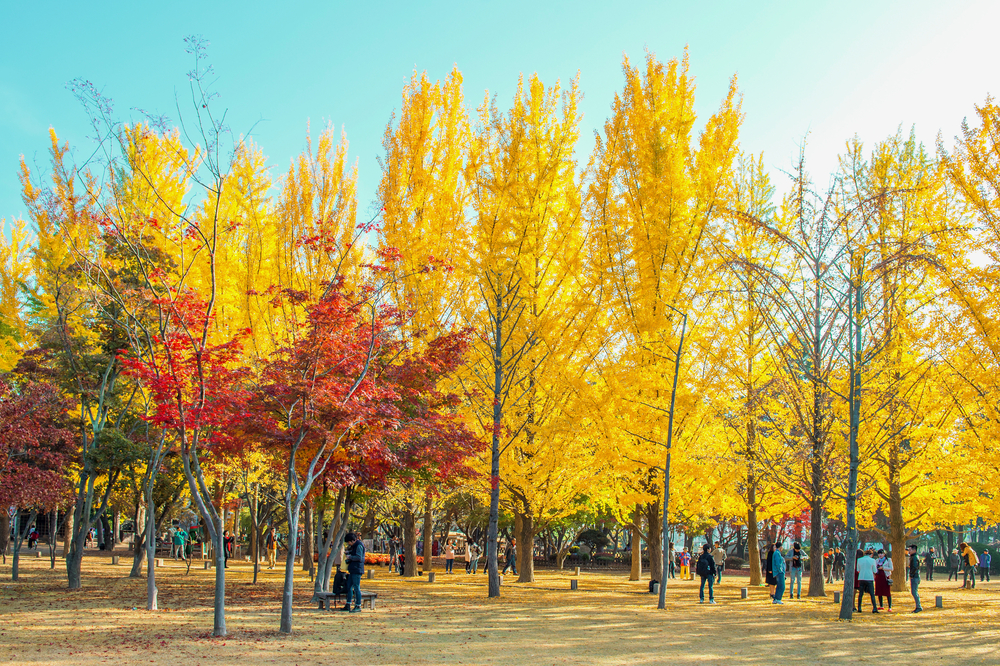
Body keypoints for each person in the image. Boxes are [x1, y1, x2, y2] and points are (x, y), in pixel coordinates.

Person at [342, 532, 365, 613]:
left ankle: (358, 605)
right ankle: (348, 604)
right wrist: (348, 553)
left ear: (353, 540)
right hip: (352, 569)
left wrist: (350, 557)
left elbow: (359, 557)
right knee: (349, 587)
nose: (349, 544)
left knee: (356, 587)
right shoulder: (354, 546)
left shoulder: (359, 545)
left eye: (349, 542)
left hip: (357, 569)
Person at [856, 548, 879, 613]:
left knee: (861, 593)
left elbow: (858, 569)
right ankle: (874, 607)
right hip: (869, 577)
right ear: (871, 554)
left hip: (861, 577)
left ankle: (859, 607)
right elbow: (875, 570)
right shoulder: (872, 560)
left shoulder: (859, 560)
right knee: (872, 593)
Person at [907, 544, 923, 613]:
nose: (909, 551)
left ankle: (918, 606)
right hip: (915, 576)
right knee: (914, 591)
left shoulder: (914, 557)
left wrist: (911, 574)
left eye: (910, 550)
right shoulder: (913, 557)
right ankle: (918, 606)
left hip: (915, 576)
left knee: (914, 591)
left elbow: (915, 567)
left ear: (914, 550)